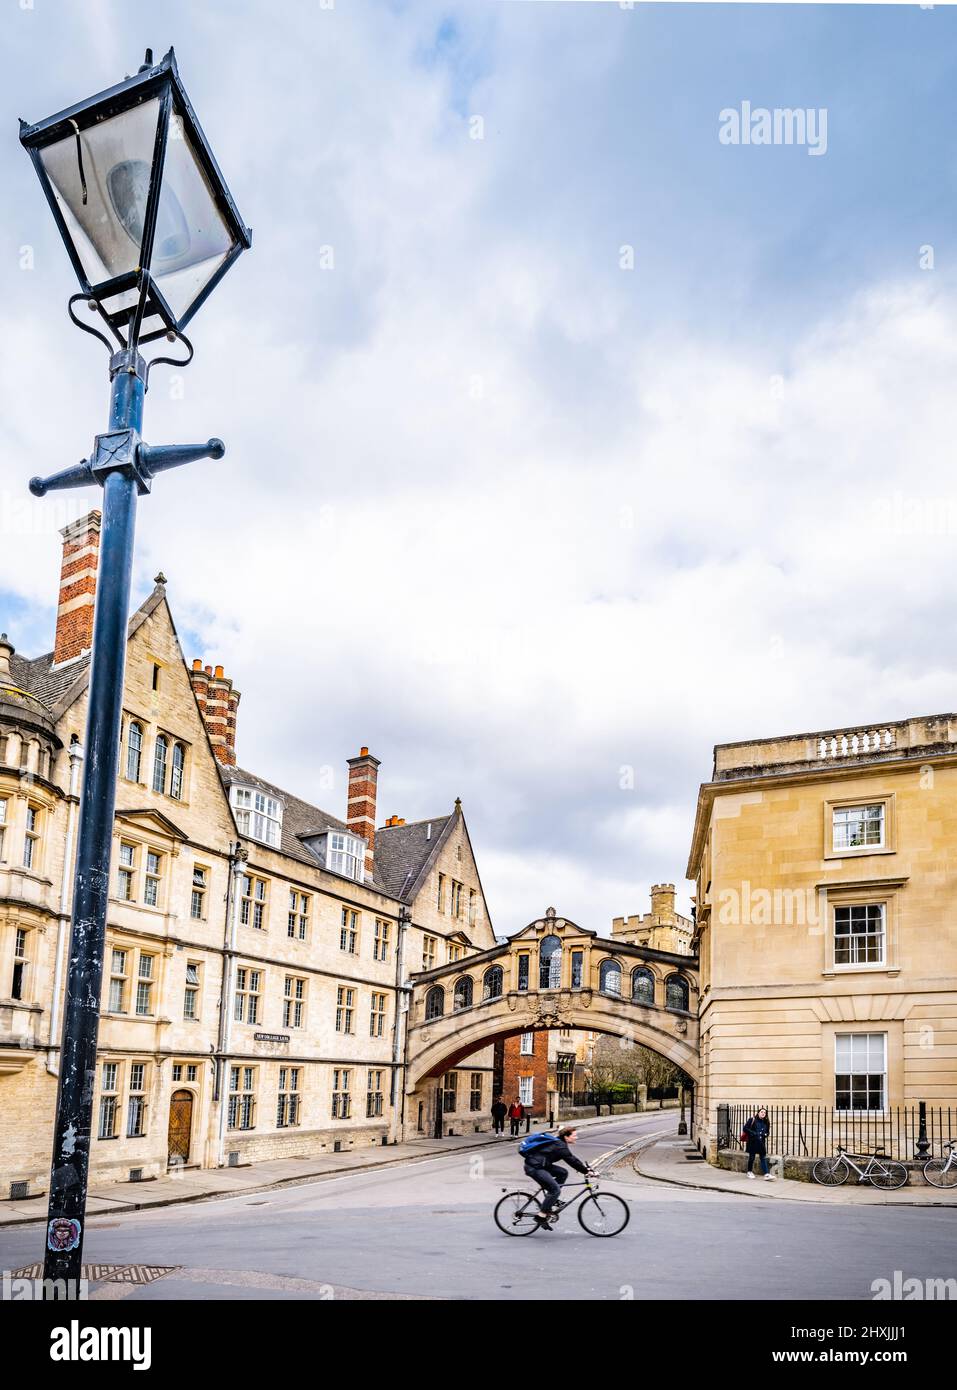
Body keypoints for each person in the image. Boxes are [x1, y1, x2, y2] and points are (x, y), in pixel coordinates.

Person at [522, 1126, 593, 1227]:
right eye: (574, 1136)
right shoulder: (560, 1146)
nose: (576, 1137)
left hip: (541, 1165)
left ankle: (552, 1199)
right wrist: (586, 1171)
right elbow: (571, 1160)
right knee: (555, 1190)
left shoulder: (560, 1143)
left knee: (563, 1173)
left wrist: (586, 1170)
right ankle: (541, 1216)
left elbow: (572, 1158)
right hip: (535, 1168)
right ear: (566, 1137)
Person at [743, 1106, 774, 1180]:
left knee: (763, 1157)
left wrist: (765, 1135)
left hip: (761, 1142)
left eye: (765, 1113)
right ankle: (749, 1172)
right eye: (762, 1112)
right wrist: (753, 1133)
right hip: (753, 1142)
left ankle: (766, 1174)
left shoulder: (766, 1122)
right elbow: (745, 1128)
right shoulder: (752, 1119)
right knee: (752, 1157)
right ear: (758, 1113)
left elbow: (767, 1132)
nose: (763, 1113)